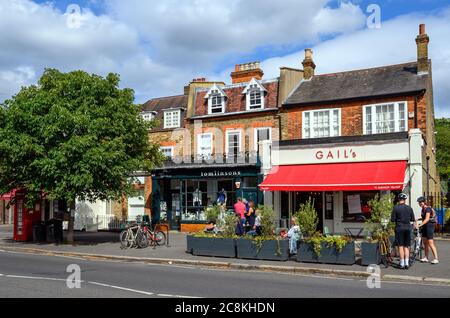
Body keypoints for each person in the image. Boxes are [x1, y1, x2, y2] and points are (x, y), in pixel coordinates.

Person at [390, 193, 416, 269]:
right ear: (405, 200)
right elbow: (412, 219)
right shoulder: (409, 208)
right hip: (408, 228)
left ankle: (402, 263)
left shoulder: (396, 208)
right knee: (406, 246)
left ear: (398, 199)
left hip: (399, 228)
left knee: (400, 246)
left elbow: (392, 219)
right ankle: (407, 263)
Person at [417, 196, 439, 264]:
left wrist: (419, 225)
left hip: (429, 226)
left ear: (424, 202)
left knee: (430, 242)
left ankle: (436, 258)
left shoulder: (428, 209)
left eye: (421, 202)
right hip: (425, 226)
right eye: (419, 202)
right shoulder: (423, 209)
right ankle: (426, 257)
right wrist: (417, 219)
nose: (420, 204)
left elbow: (427, 219)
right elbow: (423, 218)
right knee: (425, 242)